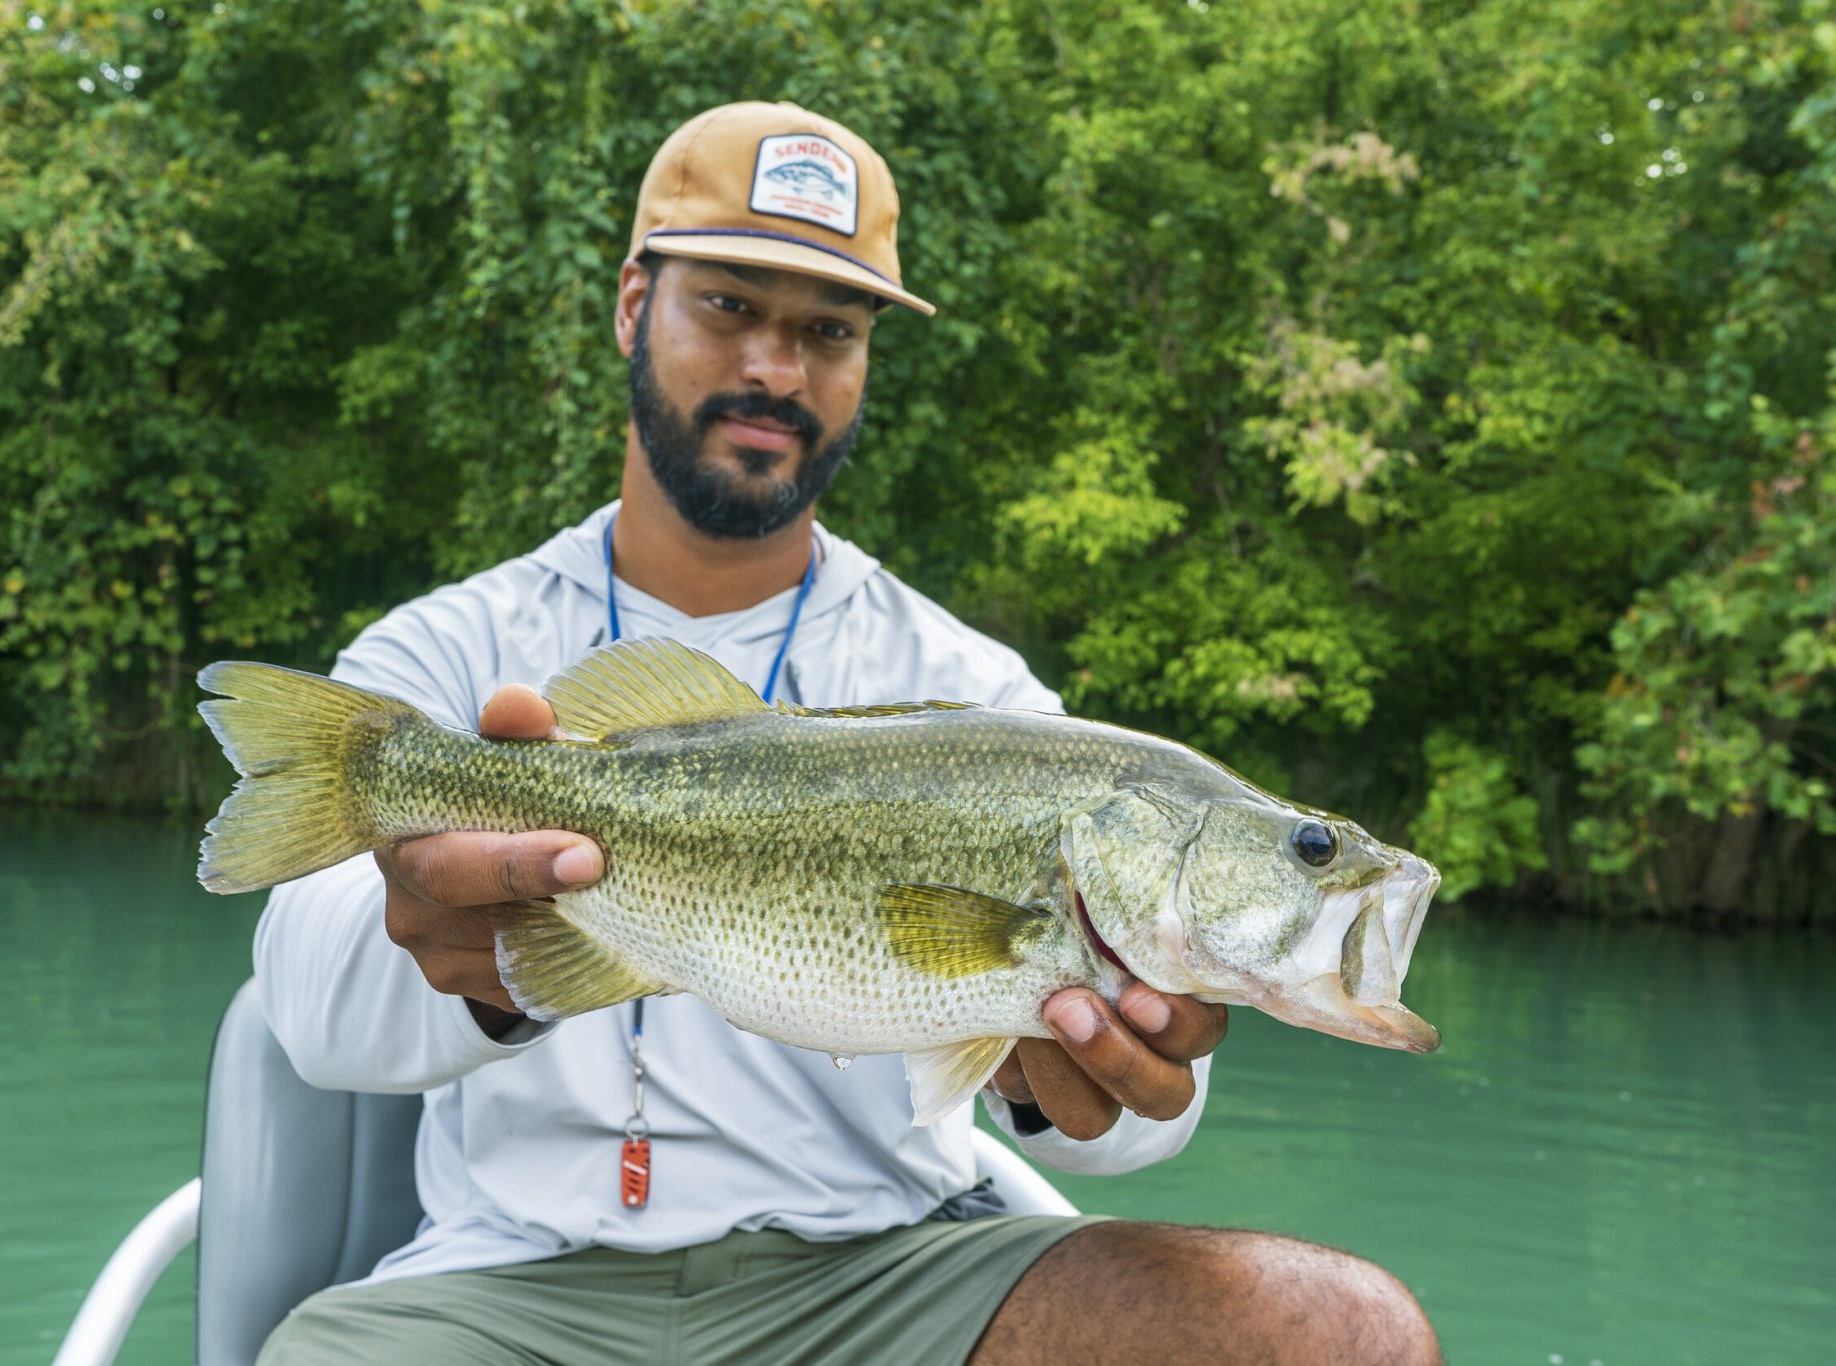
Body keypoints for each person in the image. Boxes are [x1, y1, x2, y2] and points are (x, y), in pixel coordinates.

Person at [254, 101, 1440, 1364]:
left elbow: (1153, 1117)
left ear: (866, 362)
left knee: (1338, 1333)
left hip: (888, 1276)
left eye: (826, 329)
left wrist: (1099, 1080)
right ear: (628, 305)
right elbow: (307, 1012)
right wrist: (483, 958)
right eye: (727, 306)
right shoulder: (443, 655)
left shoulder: (980, 694)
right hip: (503, 1283)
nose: (774, 368)